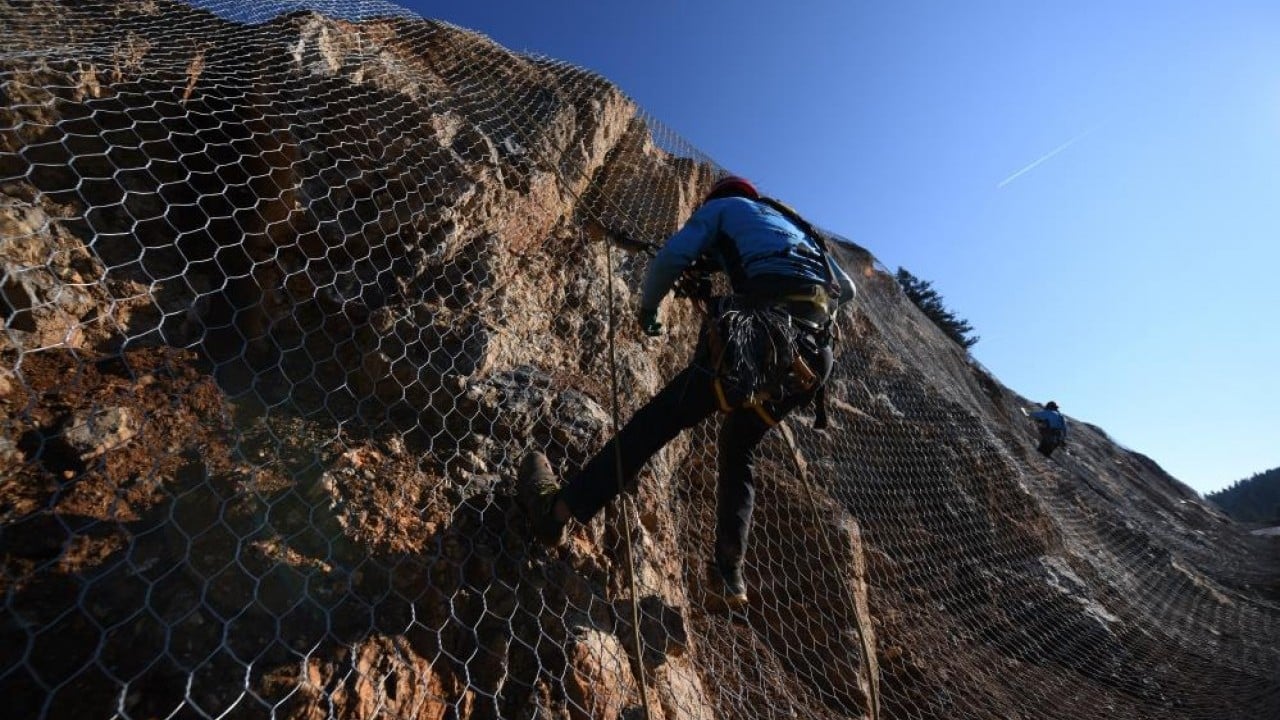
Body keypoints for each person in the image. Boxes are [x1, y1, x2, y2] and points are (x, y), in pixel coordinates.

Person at [519, 175, 856, 608]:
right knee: (739, 448)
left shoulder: (722, 210)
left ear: (715, 200)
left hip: (761, 337)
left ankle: (557, 513)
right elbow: (845, 290)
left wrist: (648, 307)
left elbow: (673, 257)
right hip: (812, 358)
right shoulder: (796, 230)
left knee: (656, 423)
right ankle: (728, 578)